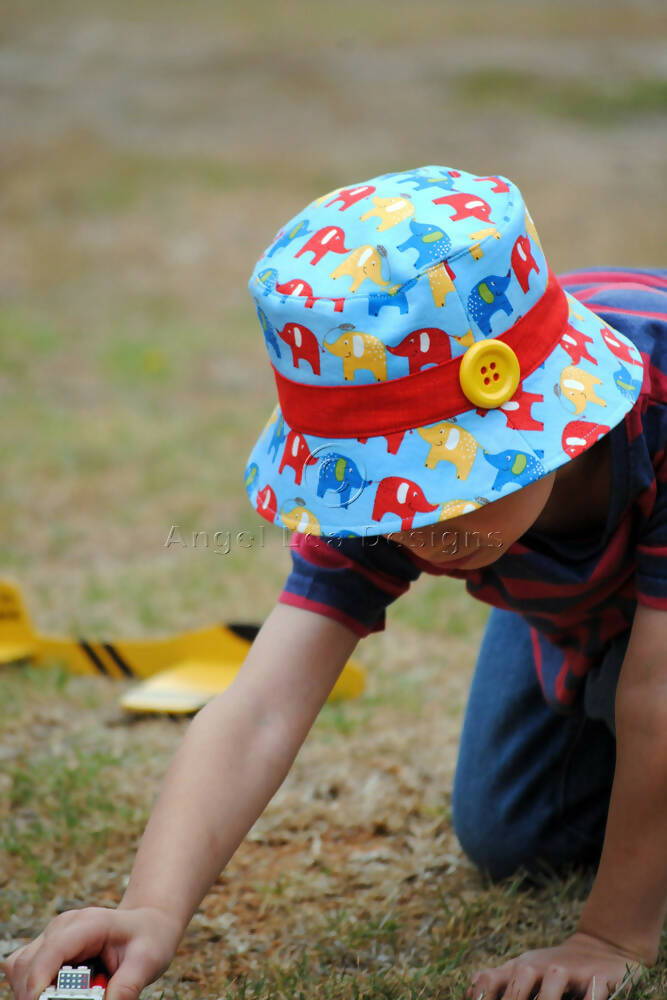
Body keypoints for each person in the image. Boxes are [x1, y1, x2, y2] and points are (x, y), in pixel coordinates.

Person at [4, 166, 666, 1000]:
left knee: (637, 704)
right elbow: (259, 707)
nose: (415, 525)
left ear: (538, 409)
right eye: (391, 489)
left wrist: (610, 935)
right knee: (513, 834)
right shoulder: (388, 493)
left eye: (445, 479)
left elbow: (658, 690)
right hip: (591, 608)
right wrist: (151, 908)